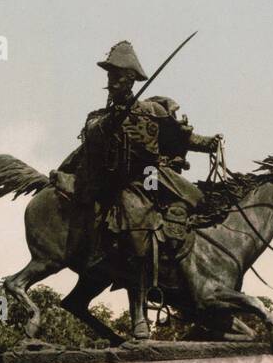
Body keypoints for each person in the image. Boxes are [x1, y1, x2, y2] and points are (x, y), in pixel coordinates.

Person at [56, 41, 222, 338]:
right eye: (110, 75)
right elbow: (92, 135)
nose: (111, 81)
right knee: (138, 233)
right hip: (123, 182)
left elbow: (183, 138)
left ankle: (191, 283)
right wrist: (112, 120)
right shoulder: (99, 116)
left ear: (130, 79)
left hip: (154, 175)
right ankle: (138, 317)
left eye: (116, 75)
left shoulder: (152, 111)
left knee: (198, 204)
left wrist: (209, 142)